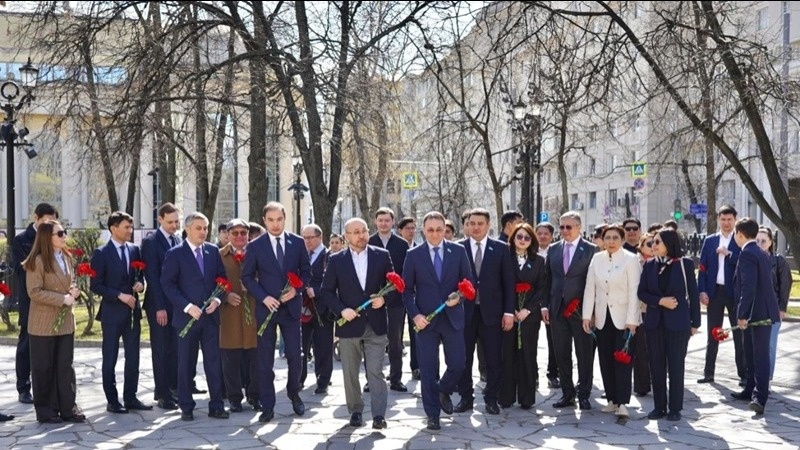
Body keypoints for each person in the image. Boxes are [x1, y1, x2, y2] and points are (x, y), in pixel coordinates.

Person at [241, 202, 311, 423]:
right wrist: (264, 297)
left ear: (285, 218)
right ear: (264, 220)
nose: (275, 224)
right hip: (266, 309)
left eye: (279, 219)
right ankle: (268, 405)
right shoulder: (255, 246)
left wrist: (296, 289)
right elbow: (247, 277)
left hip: (291, 309)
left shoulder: (298, 243)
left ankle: (293, 393)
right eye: (270, 220)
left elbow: (307, 272)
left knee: (295, 356)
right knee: (264, 360)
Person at [403, 211, 473, 431]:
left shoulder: (458, 251)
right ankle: (432, 414)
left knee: (458, 363)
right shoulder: (414, 255)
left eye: (439, 229)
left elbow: (468, 283)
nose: (435, 234)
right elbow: (406, 291)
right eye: (430, 229)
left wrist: (459, 296)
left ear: (446, 230)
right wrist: (415, 315)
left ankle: (443, 389)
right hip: (425, 321)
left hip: (452, 318)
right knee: (427, 368)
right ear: (424, 230)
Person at [321, 218, 394, 429]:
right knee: (350, 372)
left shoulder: (382, 255)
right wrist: (341, 309)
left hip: (376, 323)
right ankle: (355, 411)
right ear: (346, 237)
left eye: (364, 231)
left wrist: (384, 299)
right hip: (349, 324)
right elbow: (326, 292)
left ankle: (379, 415)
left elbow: (393, 284)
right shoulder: (336, 260)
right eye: (356, 232)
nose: (361, 235)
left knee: (375, 371)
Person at [161, 212, 229, 421]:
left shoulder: (212, 251)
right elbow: (167, 284)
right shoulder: (175, 254)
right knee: (185, 363)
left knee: (213, 362)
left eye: (206, 228)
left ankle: (216, 405)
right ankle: (186, 406)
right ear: (187, 229)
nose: (203, 232)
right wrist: (187, 306)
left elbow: (223, 281)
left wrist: (217, 300)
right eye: (198, 228)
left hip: (210, 319)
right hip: (186, 320)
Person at [24, 220, 86, 423]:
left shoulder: (67, 258)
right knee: (43, 367)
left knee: (65, 365)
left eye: (64, 232)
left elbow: (70, 281)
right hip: (43, 322)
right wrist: (62, 299)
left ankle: (68, 406)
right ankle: (45, 409)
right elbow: (34, 292)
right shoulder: (38, 261)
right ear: (47, 237)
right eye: (60, 233)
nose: (64, 236)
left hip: (66, 321)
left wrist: (73, 292)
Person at [455, 208, 515, 415]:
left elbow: (509, 283)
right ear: (467, 225)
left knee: (493, 358)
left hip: (493, 314)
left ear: (488, 225)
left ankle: (491, 399)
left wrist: (509, 312)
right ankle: (465, 397)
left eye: (480, 223)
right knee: (464, 358)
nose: (476, 227)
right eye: (472, 223)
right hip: (465, 313)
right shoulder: (457, 248)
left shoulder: (501, 248)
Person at [90, 211, 150, 414]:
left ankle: (131, 397)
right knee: (110, 358)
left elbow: (140, 275)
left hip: (133, 313)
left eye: (131, 227)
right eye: (126, 227)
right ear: (113, 228)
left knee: (134, 357)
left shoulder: (134, 250)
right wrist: (119, 295)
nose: (130, 231)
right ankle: (112, 400)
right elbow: (95, 285)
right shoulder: (101, 254)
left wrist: (141, 284)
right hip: (112, 314)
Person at [637, 228, 700, 421]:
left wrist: (695, 322)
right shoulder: (649, 266)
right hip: (654, 323)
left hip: (678, 324)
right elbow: (642, 293)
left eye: (657, 242)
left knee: (675, 366)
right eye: (652, 242)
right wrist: (660, 301)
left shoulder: (684, 264)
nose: (653, 246)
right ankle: (659, 407)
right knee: (656, 366)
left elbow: (693, 293)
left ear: (669, 244)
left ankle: (675, 409)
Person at [581, 224, 642, 418]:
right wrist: (586, 315)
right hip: (601, 317)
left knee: (622, 359)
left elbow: (634, 291)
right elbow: (590, 288)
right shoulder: (596, 258)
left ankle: (623, 402)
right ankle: (612, 400)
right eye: (607, 238)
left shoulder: (630, 260)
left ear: (622, 240)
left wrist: (632, 319)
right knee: (605, 358)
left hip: (624, 318)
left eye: (615, 238)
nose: (611, 242)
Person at [542, 211, 597, 410]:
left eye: (569, 227)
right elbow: (547, 279)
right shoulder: (554, 249)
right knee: (561, 353)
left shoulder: (591, 249)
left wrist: (591, 312)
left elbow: (596, 283)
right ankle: (567, 393)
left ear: (579, 228)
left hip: (581, 311)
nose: (564, 231)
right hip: (557, 309)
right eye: (562, 227)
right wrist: (544, 305)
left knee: (584, 354)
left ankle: (584, 394)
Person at [729, 218, 781, 414]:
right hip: (761, 310)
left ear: (740, 234)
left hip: (758, 313)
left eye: (735, 233)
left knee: (759, 356)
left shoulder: (748, 254)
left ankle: (760, 397)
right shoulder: (759, 251)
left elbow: (748, 287)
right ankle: (750, 388)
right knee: (750, 352)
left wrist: (742, 314)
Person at [12, 202, 58, 406]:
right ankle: (23, 387)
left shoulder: (57, 237)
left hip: (53, 300)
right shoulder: (22, 240)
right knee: (26, 344)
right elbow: (23, 270)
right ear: (36, 218)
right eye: (45, 221)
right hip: (30, 299)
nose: (49, 225)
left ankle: (50, 386)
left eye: (53, 221)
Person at [499, 223, 546, 410]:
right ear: (513, 239)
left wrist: (527, 309)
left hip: (529, 316)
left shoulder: (539, 261)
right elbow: (501, 286)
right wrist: (510, 310)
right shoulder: (505, 258)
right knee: (507, 355)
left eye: (527, 237)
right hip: (508, 315)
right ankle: (506, 396)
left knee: (528, 354)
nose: (523, 240)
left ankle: (527, 397)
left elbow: (542, 288)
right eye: (519, 237)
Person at [697, 205, 744, 385]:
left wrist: (729, 254)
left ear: (735, 220)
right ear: (718, 220)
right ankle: (709, 373)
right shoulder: (710, 240)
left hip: (734, 294)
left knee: (739, 334)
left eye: (729, 220)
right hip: (714, 292)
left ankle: (743, 374)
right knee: (713, 334)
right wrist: (702, 291)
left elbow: (744, 262)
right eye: (723, 219)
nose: (726, 223)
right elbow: (702, 268)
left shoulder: (740, 240)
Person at [141, 203, 182, 410]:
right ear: (160, 220)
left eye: (176, 221)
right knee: (161, 349)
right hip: (159, 305)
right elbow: (153, 277)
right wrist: (159, 307)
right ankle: (163, 394)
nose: (174, 225)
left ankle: (169, 388)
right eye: (170, 222)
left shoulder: (177, 239)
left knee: (174, 349)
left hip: (176, 304)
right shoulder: (150, 242)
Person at [218, 219, 261, 412]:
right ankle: (234, 398)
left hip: (254, 311)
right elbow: (209, 283)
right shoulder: (218, 256)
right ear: (227, 235)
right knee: (231, 359)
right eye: (234, 233)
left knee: (256, 357)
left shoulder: (258, 252)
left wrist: (255, 285)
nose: (239, 237)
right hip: (230, 314)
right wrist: (225, 296)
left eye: (243, 233)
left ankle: (255, 395)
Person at [368, 207, 411, 392]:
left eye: (387, 220)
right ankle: (372, 379)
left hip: (395, 301)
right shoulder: (368, 242)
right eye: (380, 220)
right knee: (371, 341)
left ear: (393, 222)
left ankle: (396, 379)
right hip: (372, 300)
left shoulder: (401, 244)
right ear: (375, 222)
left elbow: (404, 273)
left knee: (395, 341)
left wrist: (392, 293)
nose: (384, 223)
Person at [300, 224, 334, 395]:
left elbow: (333, 282)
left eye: (310, 238)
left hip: (322, 309)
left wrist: (318, 291)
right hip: (302, 308)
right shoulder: (301, 255)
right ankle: (299, 378)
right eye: (304, 238)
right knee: (300, 345)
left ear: (319, 237)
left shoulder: (329, 256)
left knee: (323, 346)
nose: (306, 241)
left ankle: (323, 380)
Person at [755, 227, 791, 380]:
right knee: (754, 347)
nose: (760, 244)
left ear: (771, 242)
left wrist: (782, 308)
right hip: (755, 309)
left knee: (770, 345)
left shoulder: (778, 261)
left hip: (773, 308)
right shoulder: (751, 258)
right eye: (757, 241)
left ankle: (766, 380)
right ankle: (754, 380)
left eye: (764, 241)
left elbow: (785, 285)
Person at [535, 221, 560, 389]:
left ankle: (553, 373)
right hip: (530, 302)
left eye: (546, 233)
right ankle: (532, 374)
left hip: (551, 302)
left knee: (554, 340)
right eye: (540, 233)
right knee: (530, 340)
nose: (543, 236)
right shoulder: (528, 251)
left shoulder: (557, 252)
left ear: (551, 236)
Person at [633, 232, 656, 397]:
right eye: (648, 244)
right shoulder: (635, 262)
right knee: (640, 350)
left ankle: (657, 381)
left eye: (655, 243)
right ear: (640, 247)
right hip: (640, 310)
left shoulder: (661, 262)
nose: (653, 247)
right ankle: (642, 385)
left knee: (655, 349)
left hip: (657, 310)